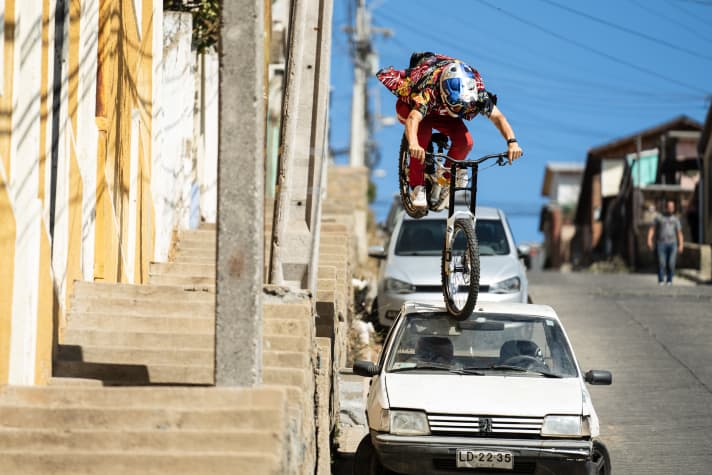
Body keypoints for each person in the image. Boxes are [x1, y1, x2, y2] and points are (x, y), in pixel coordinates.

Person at [377, 52, 523, 209]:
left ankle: (446, 180)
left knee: (465, 142)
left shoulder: (477, 92)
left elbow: (498, 118)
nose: (459, 110)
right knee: (422, 134)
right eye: (456, 105)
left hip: (444, 113)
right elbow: (413, 119)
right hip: (412, 107)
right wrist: (413, 143)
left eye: (463, 107)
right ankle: (417, 186)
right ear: (444, 93)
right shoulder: (430, 90)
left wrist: (512, 142)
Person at [647, 200, 684, 285]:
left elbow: (679, 233)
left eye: (672, 207)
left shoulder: (675, 219)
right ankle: (661, 279)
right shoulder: (659, 217)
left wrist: (681, 244)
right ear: (666, 207)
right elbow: (652, 229)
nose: (671, 208)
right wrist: (649, 240)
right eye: (669, 206)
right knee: (662, 262)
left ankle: (669, 280)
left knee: (671, 263)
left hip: (672, 244)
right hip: (661, 243)